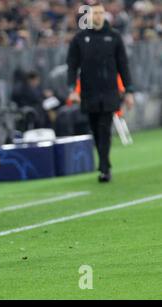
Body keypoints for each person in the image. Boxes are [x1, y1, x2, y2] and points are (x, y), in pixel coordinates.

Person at [67, 1, 134, 183]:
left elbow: (123, 65)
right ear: (88, 16)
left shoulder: (114, 37)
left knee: (104, 127)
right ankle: (104, 162)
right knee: (95, 128)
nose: (98, 16)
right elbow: (72, 66)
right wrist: (72, 89)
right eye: (95, 13)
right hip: (89, 92)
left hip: (109, 91)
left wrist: (129, 90)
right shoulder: (80, 39)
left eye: (100, 13)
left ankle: (104, 167)